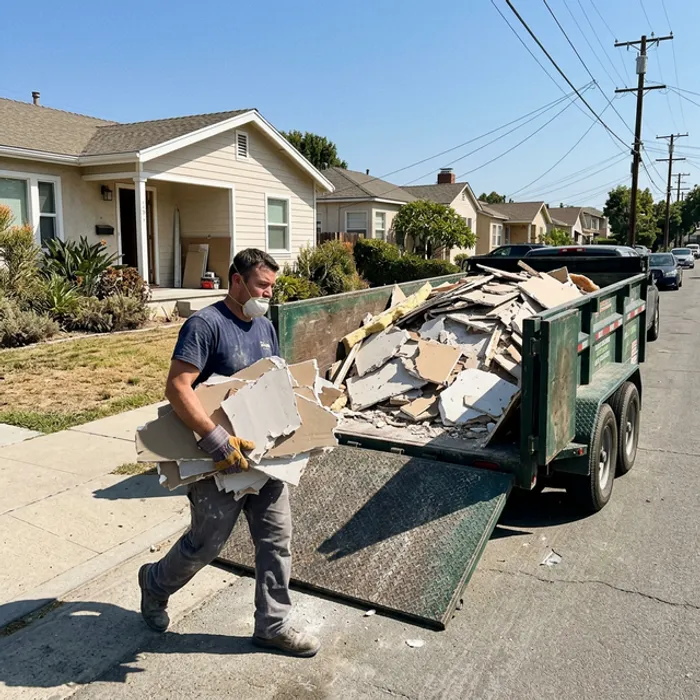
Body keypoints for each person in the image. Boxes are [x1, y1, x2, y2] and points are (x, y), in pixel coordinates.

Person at [138, 248, 320, 658]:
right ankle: (154, 584)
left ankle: (272, 626)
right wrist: (214, 439)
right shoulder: (206, 325)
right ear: (235, 280)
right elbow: (177, 388)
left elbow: (274, 384)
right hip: (216, 460)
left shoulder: (264, 325)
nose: (268, 294)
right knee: (205, 546)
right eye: (261, 285)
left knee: (276, 541)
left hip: (265, 459)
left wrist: (302, 436)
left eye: (272, 287)